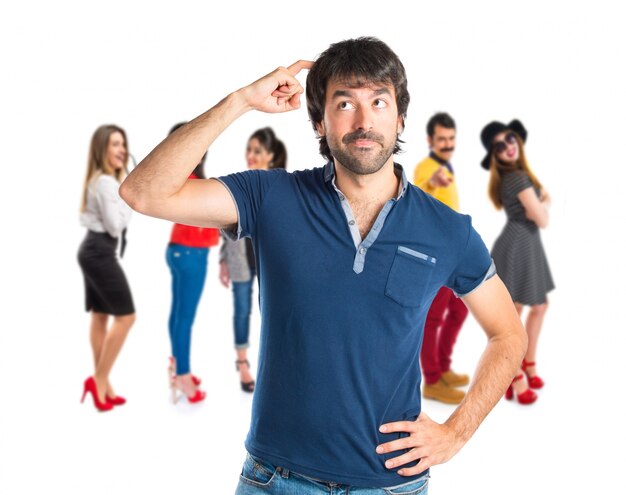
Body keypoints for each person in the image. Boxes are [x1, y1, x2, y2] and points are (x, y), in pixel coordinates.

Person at [121, 37, 527, 492]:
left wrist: (457, 433)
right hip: (274, 479)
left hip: (390, 484)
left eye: (378, 100)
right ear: (319, 122)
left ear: (400, 117)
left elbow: (509, 334)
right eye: (344, 103)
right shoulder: (270, 197)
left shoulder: (448, 229)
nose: (364, 120)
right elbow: (144, 193)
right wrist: (240, 102)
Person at [480, 119, 554, 405]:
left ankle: (528, 363)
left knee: (536, 306)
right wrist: (544, 200)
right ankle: (515, 375)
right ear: (495, 154)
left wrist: (540, 198)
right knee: (514, 315)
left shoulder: (518, 176)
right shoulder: (518, 178)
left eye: (510, 139)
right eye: (499, 145)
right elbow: (543, 219)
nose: (508, 146)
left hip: (526, 243)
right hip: (519, 244)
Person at [218, 127, 287, 393]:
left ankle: (272, 367)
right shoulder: (241, 182)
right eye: (249, 149)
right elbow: (225, 221)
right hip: (240, 260)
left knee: (274, 314)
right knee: (241, 310)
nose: (250, 155)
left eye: (257, 150)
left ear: (270, 155)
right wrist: (223, 261)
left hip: (270, 261)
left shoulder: (279, 184)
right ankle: (242, 362)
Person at [78, 124, 136, 412]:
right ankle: (98, 379)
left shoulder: (103, 180)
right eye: (115, 144)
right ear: (102, 149)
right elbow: (115, 226)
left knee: (101, 315)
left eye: (123, 144)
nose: (122, 150)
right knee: (126, 317)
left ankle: (104, 383)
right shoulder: (106, 184)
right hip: (99, 251)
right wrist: (129, 198)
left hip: (93, 249)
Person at [413, 112, 469, 405]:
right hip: (435, 256)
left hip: (454, 253)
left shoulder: (446, 165)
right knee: (434, 316)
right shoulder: (428, 167)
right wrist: (432, 179)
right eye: (441, 139)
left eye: (450, 139)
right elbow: (421, 186)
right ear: (430, 141)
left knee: (459, 310)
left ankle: (444, 368)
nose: (447, 144)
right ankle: (433, 380)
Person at [165, 122, 219, 404]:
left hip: (179, 252)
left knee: (178, 315)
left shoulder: (188, 176)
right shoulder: (186, 178)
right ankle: (183, 375)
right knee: (184, 318)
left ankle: (177, 365)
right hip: (190, 254)